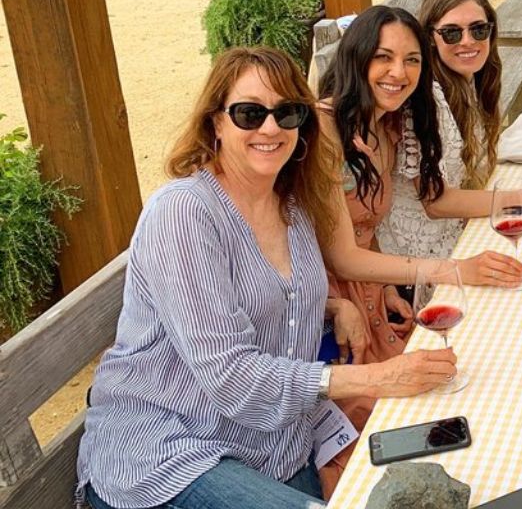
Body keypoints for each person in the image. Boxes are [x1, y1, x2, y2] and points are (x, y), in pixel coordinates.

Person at [78, 47, 459, 509]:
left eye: (287, 112)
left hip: (274, 446)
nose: (270, 127)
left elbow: (258, 286)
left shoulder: (291, 206)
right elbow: (230, 376)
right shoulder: (183, 214)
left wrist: (333, 305)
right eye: (249, 112)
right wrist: (375, 376)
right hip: (169, 452)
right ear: (215, 123)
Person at [313, 4, 522, 494]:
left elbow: (368, 229)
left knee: (446, 388)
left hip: (368, 293)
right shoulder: (325, 129)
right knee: (381, 427)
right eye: (384, 58)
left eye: (412, 60)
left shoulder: (387, 125)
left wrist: (389, 285)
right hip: (327, 307)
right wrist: (455, 270)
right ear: (356, 59)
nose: (399, 73)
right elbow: (341, 254)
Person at [377, 0, 522, 260]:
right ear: (430, 39)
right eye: (451, 33)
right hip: (424, 260)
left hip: (463, 232)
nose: (468, 41)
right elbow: (436, 203)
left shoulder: (471, 81)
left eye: (478, 29)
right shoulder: (425, 98)